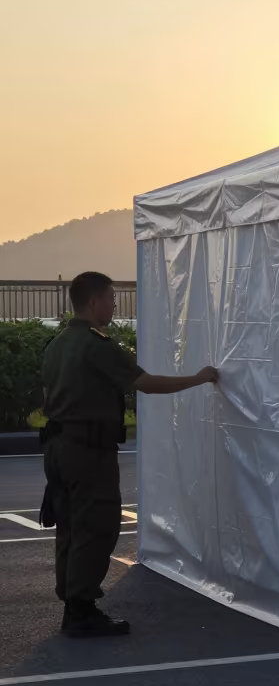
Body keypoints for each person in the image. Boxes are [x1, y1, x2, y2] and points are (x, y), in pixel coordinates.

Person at [41, 272, 219, 638]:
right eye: (110, 298)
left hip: (58, 446)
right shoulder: (97, 345)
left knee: (71, 526)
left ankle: (72, 604)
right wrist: (200, 378)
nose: (115, 305)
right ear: (93, 302)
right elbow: (146, 384)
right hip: (89, 451)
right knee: (97, 526)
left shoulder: (58, 343)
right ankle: (82, 611)